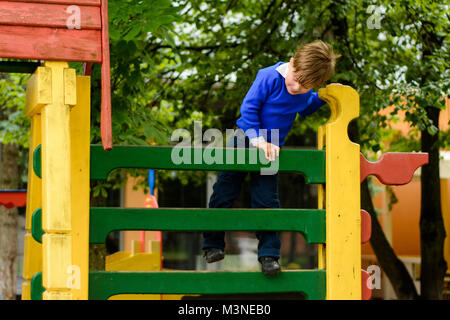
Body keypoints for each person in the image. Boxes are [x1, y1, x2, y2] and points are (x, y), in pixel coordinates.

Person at [202, 40, 340, 275]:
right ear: (292, 62)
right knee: (225, 191)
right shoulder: (268, 77)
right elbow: (248, 111)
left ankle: (269, 255)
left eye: (306, 85)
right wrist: (258, 140)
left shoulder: (303, 89)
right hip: (244, 141)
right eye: (296, 78)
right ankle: (213, 245)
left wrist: (324, 96)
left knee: (267, 200)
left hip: (270, 150)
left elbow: (305, 107)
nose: (296, 87)